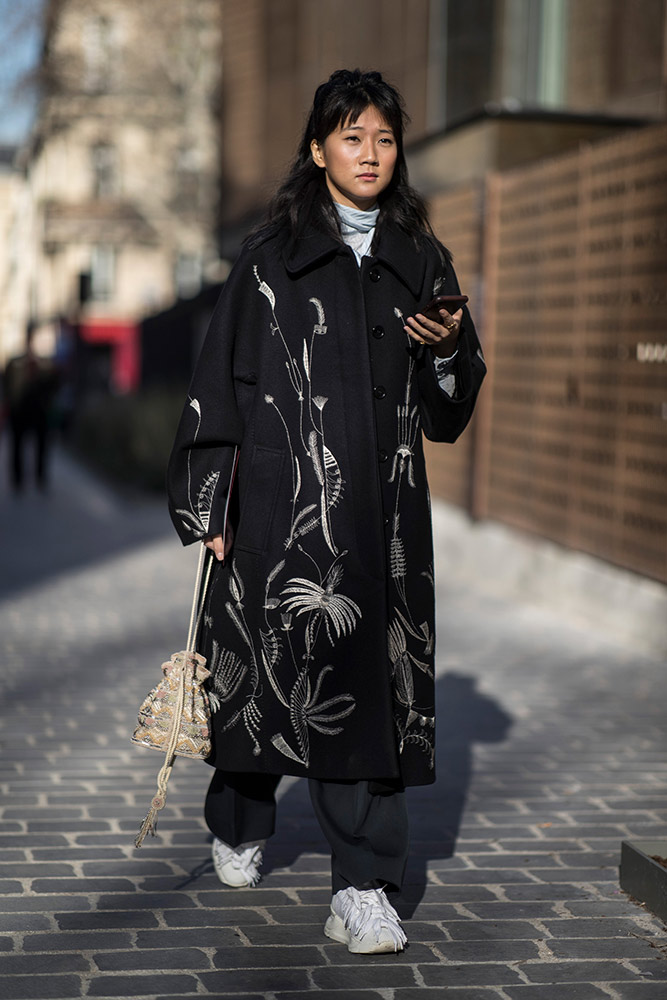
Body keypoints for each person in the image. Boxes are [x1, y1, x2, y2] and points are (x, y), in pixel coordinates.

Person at [166, 68, 486, 954]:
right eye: (352, 137)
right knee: (259, 696)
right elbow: (217, 383)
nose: (371, 154)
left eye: (384, 138)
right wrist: (208, 499)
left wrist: (451, 347)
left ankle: (362, 887)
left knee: (365, 701)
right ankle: (238, 816)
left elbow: (449, 410)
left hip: (380, 522)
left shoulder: (418, 258)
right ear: (318, 149)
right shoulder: (271, 257)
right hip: (278, 511)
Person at [2, 323, 58, 493]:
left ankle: (40, 479)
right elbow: (6, 385)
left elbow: (54, 385)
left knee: (42, 448)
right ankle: (18, 481)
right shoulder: (15, 362)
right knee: (17, 448)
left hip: (39, 412)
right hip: (19, 411)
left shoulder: (46, 364)